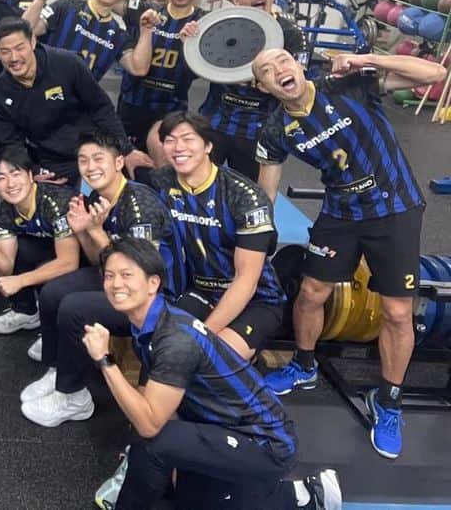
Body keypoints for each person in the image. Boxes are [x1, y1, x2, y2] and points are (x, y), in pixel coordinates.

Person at [254, 47, 443, 459]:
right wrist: (256, 238)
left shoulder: (349, 85)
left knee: (397, 312)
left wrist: (368, 59)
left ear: (298, 64)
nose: (278, 69)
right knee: (310, 292)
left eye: (283, 60)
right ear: (263, 86)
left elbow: (433, 74)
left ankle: (388, 401)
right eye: (266, 70)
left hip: (395, 208)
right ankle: (304, 365)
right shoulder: (275, 130)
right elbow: (266, 191)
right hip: (340, 213)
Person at [81, 237, 340, 510]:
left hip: (264, 443)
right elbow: (157, 404)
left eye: (126, 275)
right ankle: (296, 495)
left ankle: (307, 495)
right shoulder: (151, 323)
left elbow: (149, 425)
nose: (116, 284)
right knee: (184, 493)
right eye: (109, 276)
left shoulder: (175, 341)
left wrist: (105, 360)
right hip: (218, 426)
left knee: (153, 443)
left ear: (153, 283)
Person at [19, 129, 182, 428]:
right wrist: (83, 230)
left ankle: (74, 398)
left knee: (74, 308)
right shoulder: (97, 197)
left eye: (98, 159)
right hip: (119, 278)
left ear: (119, 162)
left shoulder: (140, 205)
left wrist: (95, 230)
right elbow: (99, 261)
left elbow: (136, 274)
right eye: (83, 160)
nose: (90, 167)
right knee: (53, 292)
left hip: (152, 299)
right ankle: (57, 369)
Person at [146, 112, 284, 362]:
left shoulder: (245, 197)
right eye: (170, 140)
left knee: (209, 359)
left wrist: (203, 335)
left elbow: (246, 281)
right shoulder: (160, 183)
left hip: (256, 300)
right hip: (198, 291)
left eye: (188, 139)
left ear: (208, 146)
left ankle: (250, 366)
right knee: (165, 350)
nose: (178, 147)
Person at [0, 17, 148, 186]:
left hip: (94, 148)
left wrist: (127, 150)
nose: (14, 57)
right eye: (5, 51)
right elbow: (11, 144)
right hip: (52, 162)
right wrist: (33, 171)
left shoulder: (67, 63)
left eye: (20, 48)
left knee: (135, 181)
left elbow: (101, 108)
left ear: (33, 42)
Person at [197, 0, 305, 180]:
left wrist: (275, 83)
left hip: (260, 130)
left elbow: (299, 82)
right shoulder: (222, 25)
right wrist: (190, 37)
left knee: (250, 194)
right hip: (215, 121)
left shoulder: (290, 33)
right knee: (198, 186)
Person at [0, 145, 78, 334]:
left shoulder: (56, 202)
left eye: (16, 174)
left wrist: (21, 281)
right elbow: (5, 269)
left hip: (81, 258)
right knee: (21, 249)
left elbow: (69, 262)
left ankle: (53, 333)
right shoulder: (4, 209)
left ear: (31, 176)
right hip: (49, 247)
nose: (10, 184)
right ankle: (25, 311)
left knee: (52, 283)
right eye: (2, 178)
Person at [117, 0, 206, 162]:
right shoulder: (147, 11)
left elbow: (205, 69)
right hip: (133, 102)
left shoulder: (202, 22)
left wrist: (190, 46)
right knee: (125, 164)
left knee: (162, 160)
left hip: (171, 108)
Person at [24, 0, 130, 81]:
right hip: (44, 87)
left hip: (82, 93)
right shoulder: (65, 7)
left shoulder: (118, 34)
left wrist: (146, 29)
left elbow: (138, 68)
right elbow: (25, 31)